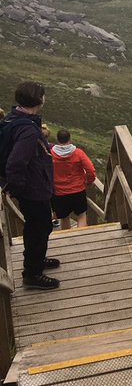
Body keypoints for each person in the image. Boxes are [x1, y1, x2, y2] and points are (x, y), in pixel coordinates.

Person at [0, 82, 60, 289]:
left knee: (37, 227)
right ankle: (33, 273)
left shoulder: (15, 119)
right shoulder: (27, 129)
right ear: (39, 99)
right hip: (32, 189)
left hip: (31, 187)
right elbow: (16, 162)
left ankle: (36, 260)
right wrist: (19, 188)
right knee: (40, 226)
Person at [51, 130, 97, 229]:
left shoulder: (51, 154)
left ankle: (68, 240)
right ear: (70, 139)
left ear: (57, 140)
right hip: (78, 190)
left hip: (59, 192)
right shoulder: (78, 153)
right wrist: (88, 181)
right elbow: (91, 170)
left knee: (64, 218)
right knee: (81, 216)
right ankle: (81, 239)